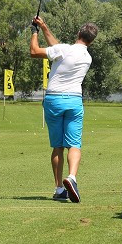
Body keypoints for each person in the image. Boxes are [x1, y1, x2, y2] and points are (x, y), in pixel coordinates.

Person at [30, 16, 98, 203]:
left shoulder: (64, 50)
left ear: (78, 33)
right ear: (91, 41)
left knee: (58, 146)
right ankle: (72, 177)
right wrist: (44, 27)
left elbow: (35, 52)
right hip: (74, 101)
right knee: (74, 144)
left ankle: (59, 188)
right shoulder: (86, 57)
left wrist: (34, 32)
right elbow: (58, 49)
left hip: (54, 100)